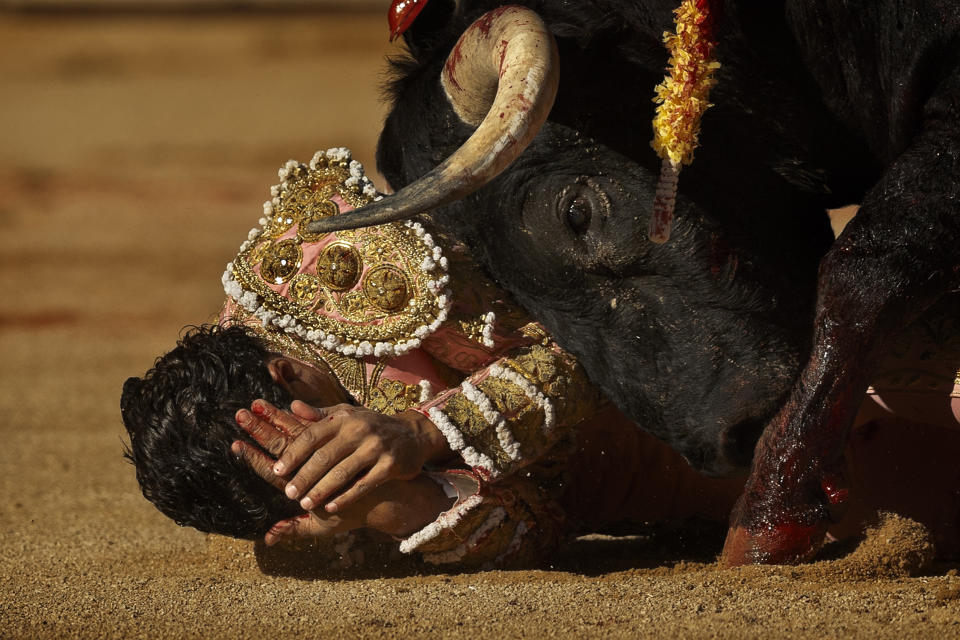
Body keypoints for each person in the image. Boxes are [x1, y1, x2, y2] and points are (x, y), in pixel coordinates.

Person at [123, 147, 960, 569]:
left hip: (725, 340)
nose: (335, 454)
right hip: (723, 489)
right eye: (311, 480)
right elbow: (543, 522)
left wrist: (420, 434)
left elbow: (588, 338)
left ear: (283, 372)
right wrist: (398, 505)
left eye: (316, 437)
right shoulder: (320, 529)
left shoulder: (336, 270)